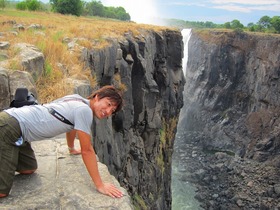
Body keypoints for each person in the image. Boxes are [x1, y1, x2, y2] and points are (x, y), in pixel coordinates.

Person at [0, 85, 124, 199]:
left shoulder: (76, 99)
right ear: (97, 97)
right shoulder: (85, 111)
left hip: (18, 128)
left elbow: (71, 125)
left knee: (28, 169)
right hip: (10, 127)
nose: (108, 111)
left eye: (112, 111)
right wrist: (100, 185)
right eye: (108, 104)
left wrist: (71, 148)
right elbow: (87, 150)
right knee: (2, 191)